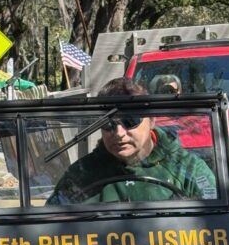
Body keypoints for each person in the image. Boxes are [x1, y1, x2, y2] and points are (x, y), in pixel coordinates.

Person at [48, 78, 216, 205]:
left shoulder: (189, 171)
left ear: (151, 120)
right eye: (108, 124)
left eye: (130, 120)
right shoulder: (80, 177)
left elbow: (222, 231)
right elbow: (47, 232)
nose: (119, 133)